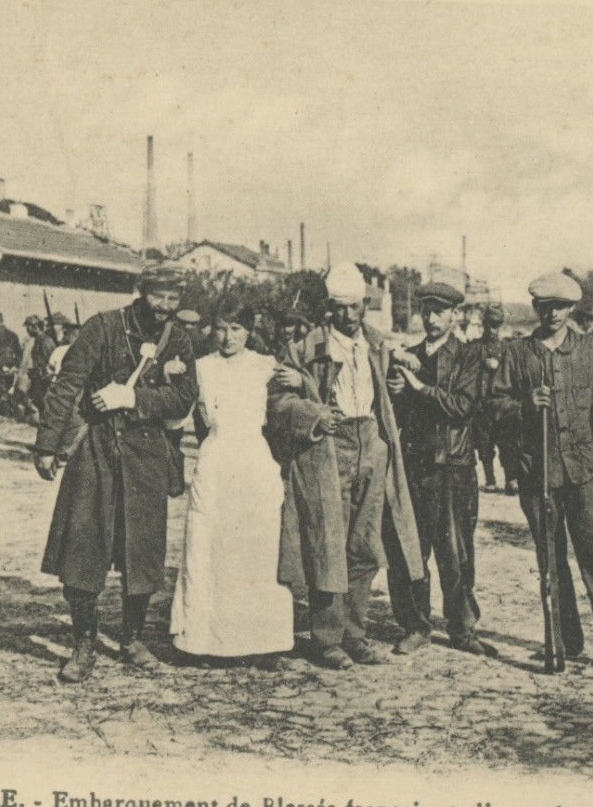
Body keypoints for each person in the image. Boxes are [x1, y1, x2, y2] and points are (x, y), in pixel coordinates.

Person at [33, 263, 199, 681]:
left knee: (141, 552)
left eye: (173, 298)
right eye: (158, 296)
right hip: (96, 450)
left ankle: (131, 639)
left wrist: (133, 397)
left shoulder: (177, 338)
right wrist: (47, 444)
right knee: (83, 548)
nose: (165, 306)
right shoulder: (103, 327)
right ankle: (84, 644)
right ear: (140, 292)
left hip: (146, 456)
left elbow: (182, 398)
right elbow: (67, 383)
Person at [490, 272, 593, 672]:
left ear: (570, 310)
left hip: (582, 470)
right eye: (546, 307)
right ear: (536, 309)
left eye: (561, 307)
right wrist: (526, 405)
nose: (553, 314)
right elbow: (493, 407)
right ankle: (564, 639)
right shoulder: (517, 354)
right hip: (538, 471)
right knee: (551, 560)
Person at [267, 263, 423, 670]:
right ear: (328, 308)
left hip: (372, 442)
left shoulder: (376, 343)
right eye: (339, 308)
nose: (348, 316)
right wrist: (315, 414)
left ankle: (356, 634)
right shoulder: (305, 349)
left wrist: (400, 386)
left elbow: (391, 392)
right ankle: (326, 640)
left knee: (365, 543)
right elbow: (277, 407)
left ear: (365, 305)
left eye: (355, 307)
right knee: (327, 543)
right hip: (328, 448)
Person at [169, 297, 292, 662]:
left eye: (236, 329)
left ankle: (259, 642)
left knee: (255, 550)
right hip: (217, 460)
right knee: (210, 546)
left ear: (249, 331)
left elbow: (289, 406)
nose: (228, 337)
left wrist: (299, 378)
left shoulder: (266, 366)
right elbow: (179, 414)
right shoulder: (201, 367)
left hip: (254, 462)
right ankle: (203, 642)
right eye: (221, 328)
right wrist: (169, 377)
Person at [383, 282, 489, 657]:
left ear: (454, 316)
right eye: (426, 311)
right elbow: (394, 412)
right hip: (412, 465)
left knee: (455, 551)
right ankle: (415, 625)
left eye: (439, 312)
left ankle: (462, 628)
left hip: (452, 466)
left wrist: (417, 386)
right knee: (409, 549)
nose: (430, 318)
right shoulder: (408, 355)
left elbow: (463, 406)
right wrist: (396, 390)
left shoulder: (468, 357)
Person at [470, 304, 510, 493]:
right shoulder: (474, 347)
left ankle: (511, 478)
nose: (492, 330)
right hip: (481, 404)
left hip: (501, 404)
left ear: (501, 326)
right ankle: (490, 479)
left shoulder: (507, 349)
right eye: (489, 326)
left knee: (507, 442)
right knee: (484, 444)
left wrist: (498, 365)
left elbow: (514, 374)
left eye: (496, 326)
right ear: (483, 325)